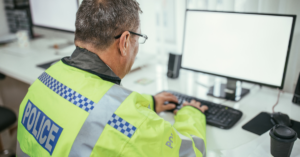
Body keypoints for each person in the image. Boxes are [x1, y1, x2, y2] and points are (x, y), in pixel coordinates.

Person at [16, 0, 208, 156]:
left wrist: (149, 103)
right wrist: (191, 114)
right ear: (124, 42)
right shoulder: (132, 126)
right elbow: (192, 152)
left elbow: (91, 104)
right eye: (137, 38)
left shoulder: (45, 79)